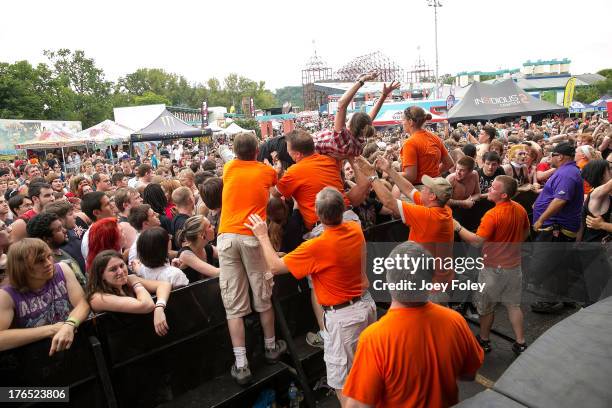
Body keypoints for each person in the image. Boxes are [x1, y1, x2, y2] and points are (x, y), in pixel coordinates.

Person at [245, 187, 375, 405]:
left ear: (316, 213)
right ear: (342, 210)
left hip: (344, 319)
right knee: (367, 373)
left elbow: (275, 267)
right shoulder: (355, 228)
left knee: (343, 384)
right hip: (365, 306)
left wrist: (261, 235)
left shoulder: (316, 246)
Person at [342, 242, 484, 408]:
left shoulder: (374, 339)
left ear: (388, 281)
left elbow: (357, 406)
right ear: (430, 283)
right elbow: (469, 374)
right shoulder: (455, 321)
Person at [217, 132, 286, 385]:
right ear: (257, 152)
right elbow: (275, 182)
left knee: (233, 306)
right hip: (251, 236)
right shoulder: (265, 172)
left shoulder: (228, 168)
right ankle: (270, 348)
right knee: (262, 296)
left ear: (236, 152)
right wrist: (275, 165)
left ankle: (242, 364)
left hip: (226, 237)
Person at [454, 175, 530, 355]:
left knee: (486, 307)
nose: (489, 189)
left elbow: (477, 241)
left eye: (494, 188)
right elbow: (526, 231)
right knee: (513, 305)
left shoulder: (492, 215)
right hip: (514, 266)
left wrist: (457, 227)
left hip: (492, 270)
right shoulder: (519, 209)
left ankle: (484, 339)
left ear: (503, 195)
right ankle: (521, 342)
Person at [358, 156, 455, 295]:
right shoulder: (443, 209)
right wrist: (389, 169)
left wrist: (373, 177)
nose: (421, 190)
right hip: (440, 281)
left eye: (425, 188)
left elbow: (389, 202)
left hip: (431, 288)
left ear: (432, 196)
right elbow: (409, 189)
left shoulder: (427, 216)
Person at [0, 238, 90, 354]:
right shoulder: (7, 295)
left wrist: (70, 324)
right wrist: (51, 330)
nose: (48, 264)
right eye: (39, 261)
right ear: (21, 267)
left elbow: (83, 304)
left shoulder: (62, 269)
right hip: (38, 357)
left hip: (75, 345)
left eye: (49, 256)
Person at [531, 142, 584, 313]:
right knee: (560, 265)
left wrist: (541, 219)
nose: (549, 158)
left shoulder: (567, 174)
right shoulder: (567, 171)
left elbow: (560, 200)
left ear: (560, 156)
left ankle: (550, 302)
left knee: (548, 265)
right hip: (559, 227)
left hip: (556, 228)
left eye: (552, 154)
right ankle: (563, 297)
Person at [86, 250, 171, 337]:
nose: (120, 271)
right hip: (123, 345)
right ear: (101, 275)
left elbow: (164, 285)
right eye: (113, 269)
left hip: (144, 337)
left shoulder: (129, 280)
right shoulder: (97, 298)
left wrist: (160, 307)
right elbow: (147, 305)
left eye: (122, 265)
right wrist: (137, 284)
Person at [579, 159, 612, 304]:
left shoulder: (601, 194)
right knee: (598, 292)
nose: (611, 172)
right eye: (609, 170)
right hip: (595, 252)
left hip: (597, 250)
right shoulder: (597, 193)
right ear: (600, 176)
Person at [26, 212, 87, 287]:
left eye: (62, 227)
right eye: (59, 230)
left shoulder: (59, 251)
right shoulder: (50, 265)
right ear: (47, 239)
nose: (65, 230)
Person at [400, 106, 454, 185]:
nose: (402, 123)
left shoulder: (410, 143)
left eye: (403, 120)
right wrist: (432, 176)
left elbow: (410, 176)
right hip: (436, 185)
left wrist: (390, 173)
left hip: (420, 190)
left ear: (411, 122)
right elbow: (449, 163)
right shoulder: (435, 137)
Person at [44, 200, 86, 275]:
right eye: (70, 214)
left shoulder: (71, 232)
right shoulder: (58, 244)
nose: (75, 216)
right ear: (59, 220)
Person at [175, 215, 219, 282]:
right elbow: (216, 272)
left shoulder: (208, 248)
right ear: (201, 235)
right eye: (209, 226)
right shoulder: (186, 254)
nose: (213, 227)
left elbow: (227, 256)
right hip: (190, 292)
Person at [80, 191, 116, 261]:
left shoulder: (112, 226)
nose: (112, 206)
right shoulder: (91, 239)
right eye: (107, 204)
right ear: (96, 213)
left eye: (110, 202)